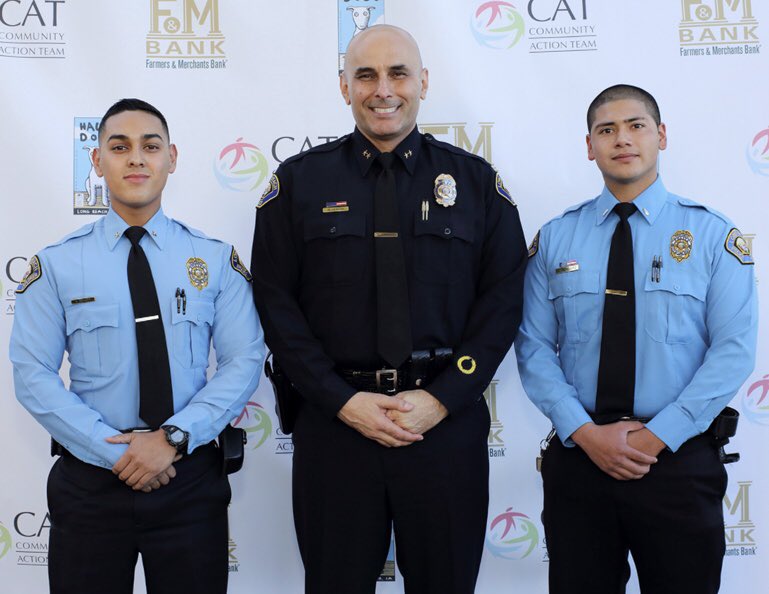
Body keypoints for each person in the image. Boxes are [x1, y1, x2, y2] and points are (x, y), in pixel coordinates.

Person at [251, 24, 526, 594]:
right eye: (366, 75)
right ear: (344, 86)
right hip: (337, 430)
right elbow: (276, 308)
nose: (383, 89)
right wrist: (341, 401)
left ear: (423, 82)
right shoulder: (298, 184)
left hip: (444, 429)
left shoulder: (475, 183)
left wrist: (441, 398)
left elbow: (501, 304)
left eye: (398, 73)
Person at [9, 98, 265, 594]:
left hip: (188, 480)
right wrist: (117, 455)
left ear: (172, 157)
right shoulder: (57, 265)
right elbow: (32, 373)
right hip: (90, 486)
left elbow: (244, 359)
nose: (136, 159)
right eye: (119, 146)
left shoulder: (211, 259)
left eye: (150, 146)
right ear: (97, 160)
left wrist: (170, 440)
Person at [515, 84, 758, 594]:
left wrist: (656, 436)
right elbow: (534, 347)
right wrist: (584, 433)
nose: (622, 139)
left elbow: (732, 352)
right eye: (607, 130)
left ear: (661, 136)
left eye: (636, 126)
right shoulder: (556, 237)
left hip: (677, 462)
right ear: (589, 146)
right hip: (581, 461)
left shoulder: (712, 235)